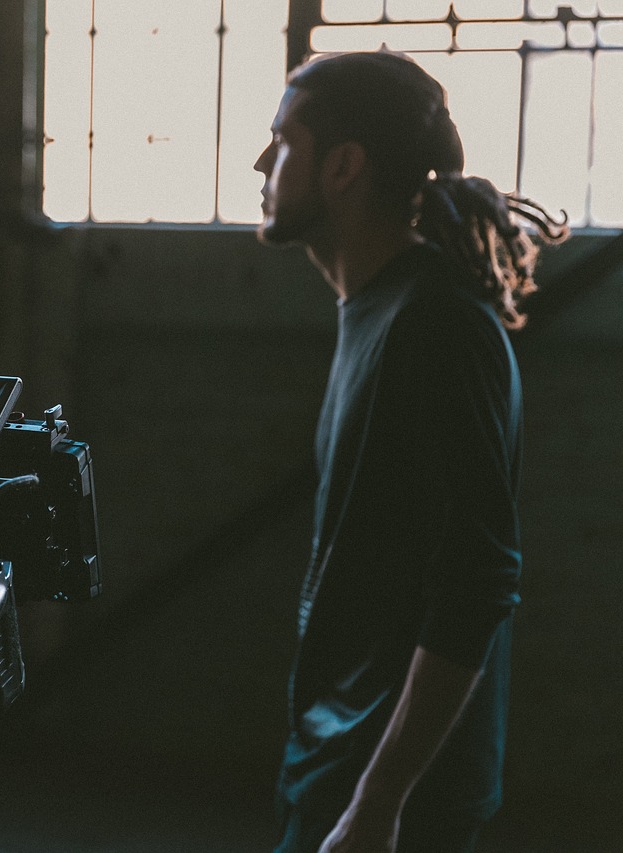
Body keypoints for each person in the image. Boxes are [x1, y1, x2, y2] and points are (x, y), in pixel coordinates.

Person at [252, 51, 566, 853]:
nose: (262, 159)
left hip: (392, 794)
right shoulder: (378, 308)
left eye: (283, 140)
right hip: (335, 755)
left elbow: (478, 579)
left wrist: (381, 799)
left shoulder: (436, 324)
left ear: (343, 166)